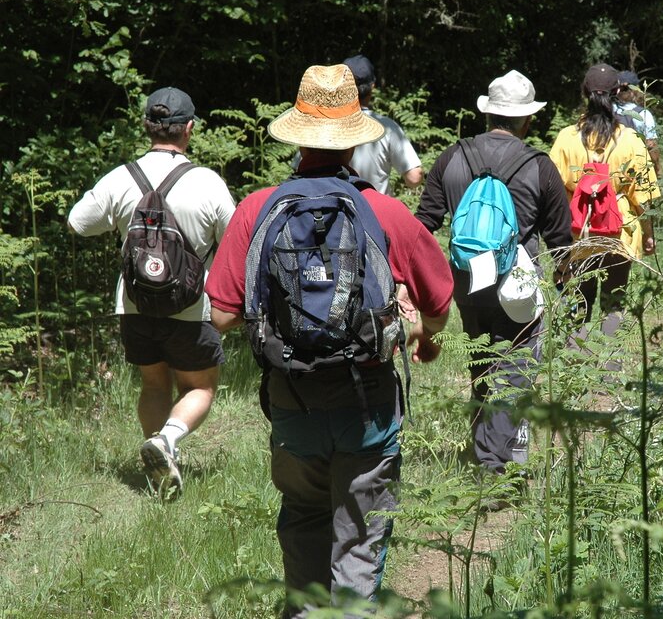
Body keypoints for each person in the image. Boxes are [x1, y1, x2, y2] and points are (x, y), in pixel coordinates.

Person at [205, 64, 453, 615]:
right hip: (367, 406)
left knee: (304, 521)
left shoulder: (256, 209)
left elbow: (221, 316)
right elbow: (439, 299)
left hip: (291, 404)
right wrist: (425, 337)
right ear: (354, 143)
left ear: (297, 137)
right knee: (360, 540)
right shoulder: (384, 212)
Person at [68, 87, 236, 498]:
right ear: (189, 129)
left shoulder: (121, 177)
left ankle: (159, 465)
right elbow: (236, 241)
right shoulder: (207, 182)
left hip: (134, 304)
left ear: (147, 126)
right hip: (191, 307)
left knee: (154, 384)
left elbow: (78, 222)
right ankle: (167, 442)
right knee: (200, 387)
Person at [415, 69, 572, 474]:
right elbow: (561, 240)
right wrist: (565, 285)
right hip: (517, 284)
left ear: (487, 114)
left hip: (466, 281)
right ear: (528, 119)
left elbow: (423, 224)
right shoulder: (539, 166)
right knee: (516, 368)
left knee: (481, 358)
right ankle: (493, 464)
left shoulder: (453, 157)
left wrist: (421, 285)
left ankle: (484, 445)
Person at [550, 63, 661, 340]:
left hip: (578, 231)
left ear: (584, 92)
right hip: (619, 231)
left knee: (579, 302)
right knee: (614, 304)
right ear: (618, 92)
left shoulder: (566, 138)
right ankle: (608, 376)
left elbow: (551, 191)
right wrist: (648, 235)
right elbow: (644, 196)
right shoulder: (631, 140)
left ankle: (575, 371)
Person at [342, 54, 423, 195]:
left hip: (335, 212)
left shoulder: (325, 124)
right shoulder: (388, 127)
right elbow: (414, 177)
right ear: (372, 87)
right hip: (375, 214)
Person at [614, 70, 662, 177]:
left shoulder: (608, 110)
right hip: (635, 170)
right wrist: (658, 169)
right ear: (636, 89)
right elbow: (651, 145)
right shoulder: (643, 114)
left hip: (611, 169)